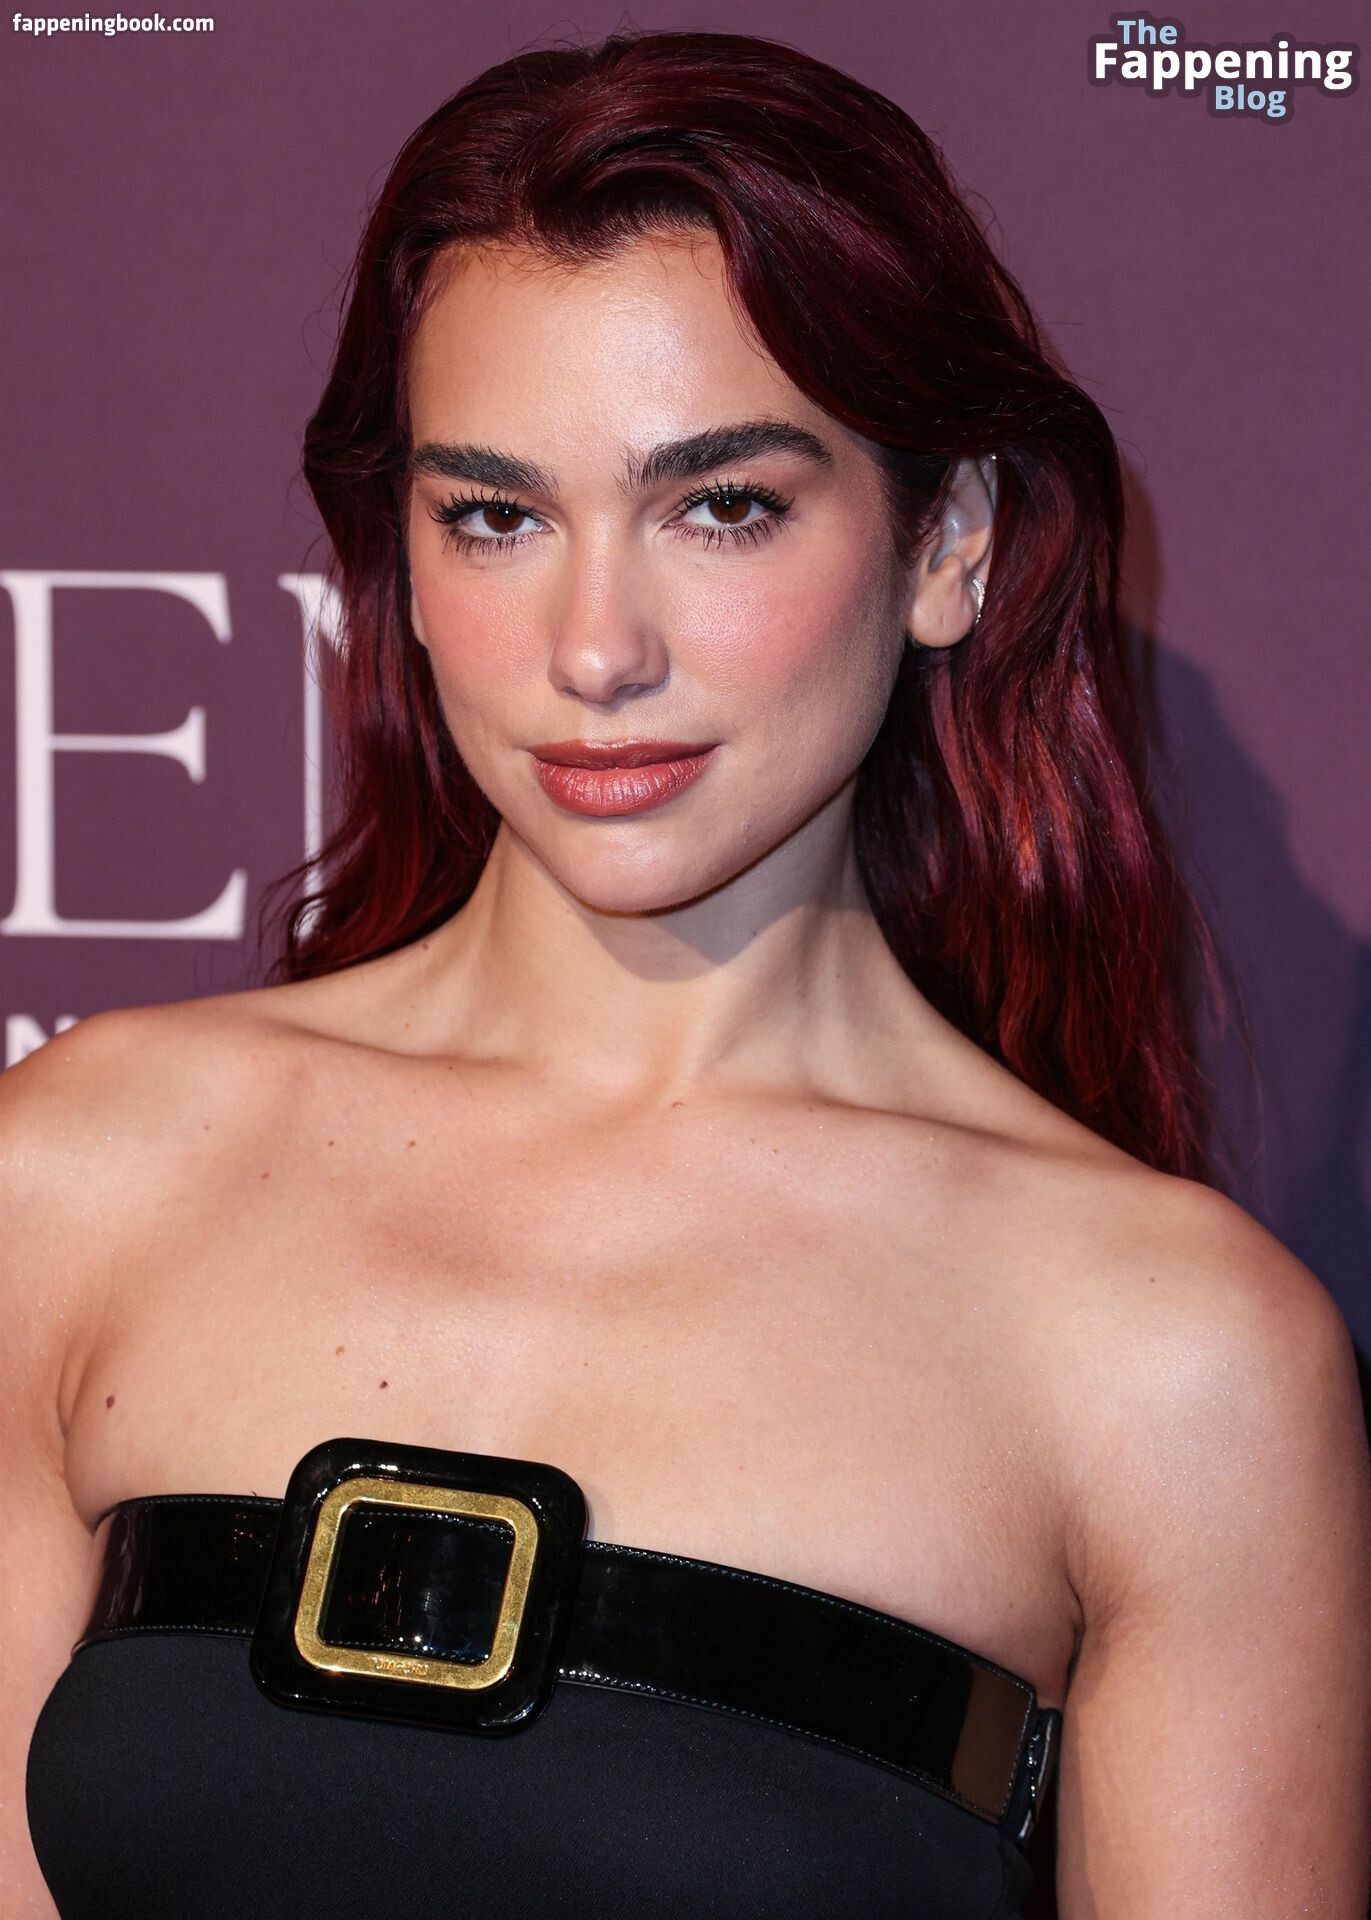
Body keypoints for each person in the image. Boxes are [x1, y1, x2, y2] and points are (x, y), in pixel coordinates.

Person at [5, 24, 1370, 1920]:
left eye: (721, 505)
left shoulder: (1169, 1358)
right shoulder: (78, 1175)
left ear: (947, 541)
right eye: (496, 515)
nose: (596, 650)